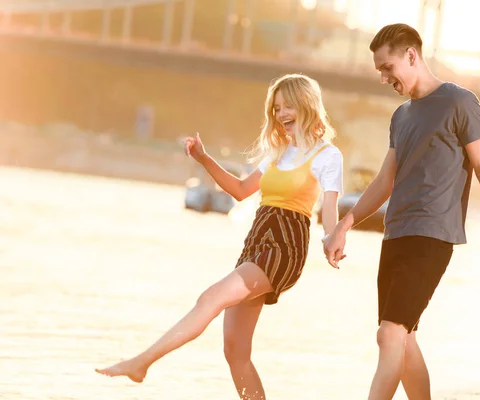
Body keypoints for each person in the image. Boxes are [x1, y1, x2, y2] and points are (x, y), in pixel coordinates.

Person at [96, 73, 344, 399]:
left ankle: (141, 363)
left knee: (210, 298)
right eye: (277, 108)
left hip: (285, 247)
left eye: (288, 106)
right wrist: (203, 158)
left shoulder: (327, 155)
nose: (281, 114)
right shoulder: (277, 153)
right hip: (256, 244)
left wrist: (331, 237)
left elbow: (329, 207)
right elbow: (241, 191)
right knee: (235, 351)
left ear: (306, 104)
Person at [323, 23, 480, 400]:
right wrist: (344, 226)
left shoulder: (459, 102)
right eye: (379, 70)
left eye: (387, 67)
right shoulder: (401, 117)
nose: (383, 77)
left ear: (411, 56)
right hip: (395, 235)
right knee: (404, 338)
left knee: (389, 334)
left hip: (433, 236)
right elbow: (385, 181)